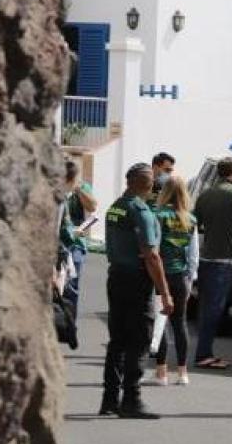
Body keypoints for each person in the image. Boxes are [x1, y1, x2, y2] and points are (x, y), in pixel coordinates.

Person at [101, 162, 174, 420]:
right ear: (148, 183)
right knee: (139, 341)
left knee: (117, 340)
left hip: (116, 276)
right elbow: (152, 256)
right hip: (136, 281)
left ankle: (109, 399)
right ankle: (132, 399)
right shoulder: (140, 211)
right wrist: (164, 292)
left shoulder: (116, 207)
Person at [192, 158, 232, 370]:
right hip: (223, 260)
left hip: (205, 258)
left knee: (205, 308)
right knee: (214, 310)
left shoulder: (206, 194)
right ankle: (203, 355)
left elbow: (195, 223)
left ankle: (204, 352)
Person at [151, 175, 199, 386]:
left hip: (161, 275)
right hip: (181, 276)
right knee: (179, 323)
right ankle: (182, 372)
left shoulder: (158, 215)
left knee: (160, 321)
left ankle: (161, 372)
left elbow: (155, 247)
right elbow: (194, 254)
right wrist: (190, 279)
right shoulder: (190, 219)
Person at [63, 159, 98, 322]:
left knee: (72, 285)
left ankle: (69, 322)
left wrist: (77, 189)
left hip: (76, 243)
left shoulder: (82, 187)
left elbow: (92, 206)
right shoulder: (56, 185)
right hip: (60, 241)